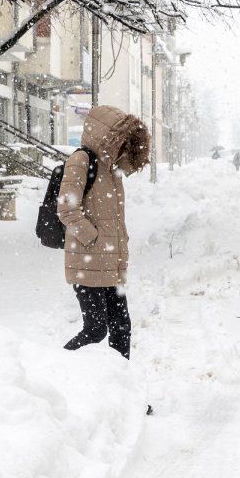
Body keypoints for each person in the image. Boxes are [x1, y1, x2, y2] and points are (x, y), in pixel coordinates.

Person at [56, 105, 151, 361]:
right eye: (120, 140)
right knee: (96, 330)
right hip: (87, 262)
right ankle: (57, 368)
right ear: (105, 135)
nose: (123, 146)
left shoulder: (112, 170)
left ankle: (122, 388)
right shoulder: (81, 160)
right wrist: (94, 240)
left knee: (122, 329)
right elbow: (67, 209)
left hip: (110, 264)